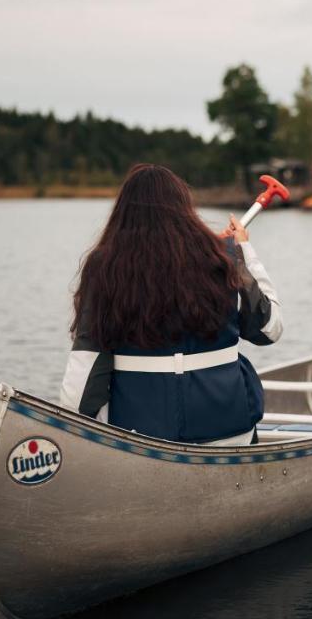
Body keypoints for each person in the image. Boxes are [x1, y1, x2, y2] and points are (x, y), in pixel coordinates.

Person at [59, 164, 282, 445]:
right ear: (184, 207)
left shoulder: (105, 266)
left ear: (123, 211)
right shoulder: (223, 257)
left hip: (140, 439)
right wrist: (243, 251)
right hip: (230, 430)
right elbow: (269, 328)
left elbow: (80, 386)